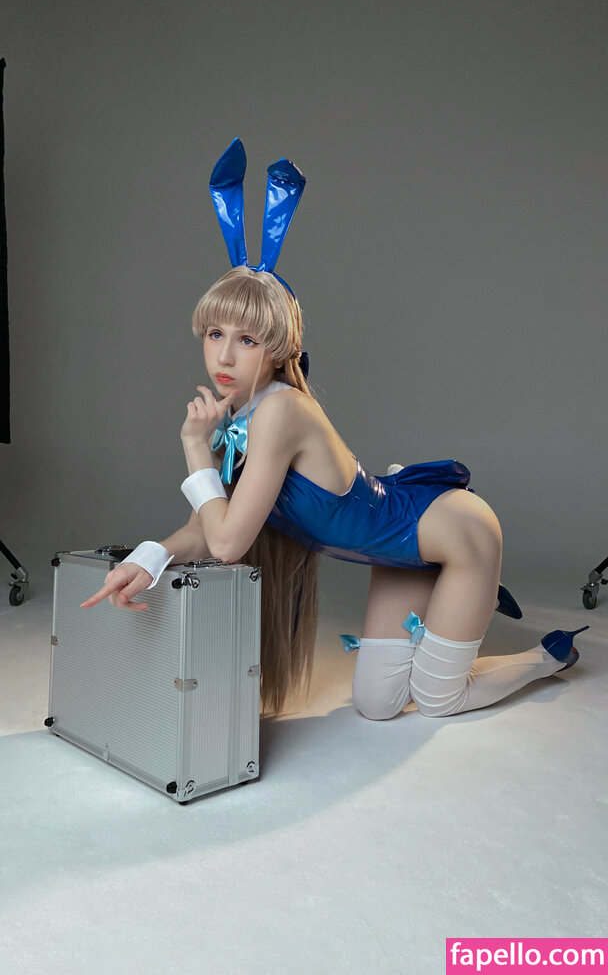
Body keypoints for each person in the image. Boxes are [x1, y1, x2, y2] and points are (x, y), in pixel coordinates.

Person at [81, 140, 589, 720]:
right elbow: (210, 524)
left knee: (437, 700)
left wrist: (194, 446)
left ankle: (546, 656)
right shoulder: (239, 420)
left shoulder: (281, 412)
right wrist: (149, 558)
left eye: (247, 339)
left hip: (459, 533)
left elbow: (226, 545)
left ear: (278, 348)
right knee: (377, 705)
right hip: (403, 552)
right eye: (214, 334)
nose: (224, 355)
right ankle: (451, 618)